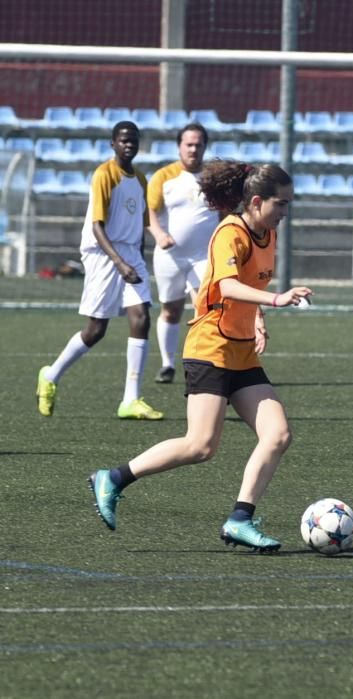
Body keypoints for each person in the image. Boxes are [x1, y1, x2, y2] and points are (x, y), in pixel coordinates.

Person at [87, 161, 313, 552]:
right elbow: (225, 285)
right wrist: (276, 300)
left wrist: (257, 317)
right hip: (209, 348)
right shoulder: (230, 232)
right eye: (281, 203)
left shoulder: (268, 233)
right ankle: (114, 477)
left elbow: (249, 283)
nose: (285, 212)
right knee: (201, 446)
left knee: (277, 435)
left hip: (241, 351)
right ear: (257, 201)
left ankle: (239, 519)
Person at [36, 121, 164, 420]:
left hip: (130, 253)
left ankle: (130, 400)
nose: (128, 144)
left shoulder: (141, 179)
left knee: (142, 316)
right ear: (113, 144)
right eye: (123, 140)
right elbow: (97, 226)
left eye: (133, 140)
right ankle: (51, 375)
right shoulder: (104, 174)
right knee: (96, 330)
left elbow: (141, 225)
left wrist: (138, 259)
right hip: (104, 254)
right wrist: (119, 263)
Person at [147, 122, 219, 385]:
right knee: (171, 310)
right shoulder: (164, 176)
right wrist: (159, 234)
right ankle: (167, 365)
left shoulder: (213, 177)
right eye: (188, 144)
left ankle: (201, 364)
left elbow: (224, 211)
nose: (193, 149)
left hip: (203, 256)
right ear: (179, 146)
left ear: (204, 147)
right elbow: (149, 211)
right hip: (170, 256)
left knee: (204, 308)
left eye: (198, 144)